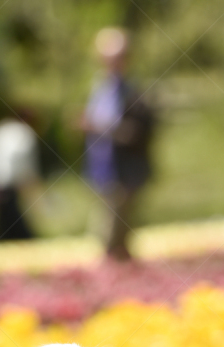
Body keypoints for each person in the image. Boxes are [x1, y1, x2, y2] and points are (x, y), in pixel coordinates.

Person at [83, 28, 154, 262]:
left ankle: (118, 288)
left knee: (113, 236)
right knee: (111, 236)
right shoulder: (99, 87)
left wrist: (98, 127)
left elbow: (139, 132)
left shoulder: (133, 92)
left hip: (124, 172)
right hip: (101, 170)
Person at [0, 110, 39, 241]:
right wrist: (28, 180)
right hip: (8, 182)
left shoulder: (0, 130)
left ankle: (3, 239)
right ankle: (25, 238)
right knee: (10, 216)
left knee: (4, 216)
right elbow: (21, 161)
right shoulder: (23, 133)